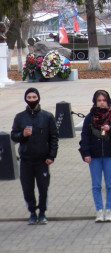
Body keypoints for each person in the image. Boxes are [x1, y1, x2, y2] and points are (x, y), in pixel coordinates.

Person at [11, 88, 59, 225]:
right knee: (27, 188)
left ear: (38, 98)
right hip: (26, 160)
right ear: (26, 99)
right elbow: (13, 136)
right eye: (29, 97)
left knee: (43, 187)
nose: (32, 100)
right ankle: (32, 212)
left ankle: (42, 212)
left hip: (42, 160)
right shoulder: (20, 117)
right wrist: (22, 135)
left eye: (34, 97)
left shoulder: (47, 116)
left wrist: (52, 156)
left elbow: (54, 137)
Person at [79, 90, 111, 222]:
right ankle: (99, 210)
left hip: (109, 154)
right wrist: (86, 153)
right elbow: (85, 135)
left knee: (110, 184)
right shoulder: (90, 117)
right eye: (99, 100)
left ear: (108, 101)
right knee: (96, 185)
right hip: (95, 156)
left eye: (104, 100)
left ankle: (109, 210)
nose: (102, 103)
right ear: (95, 102)